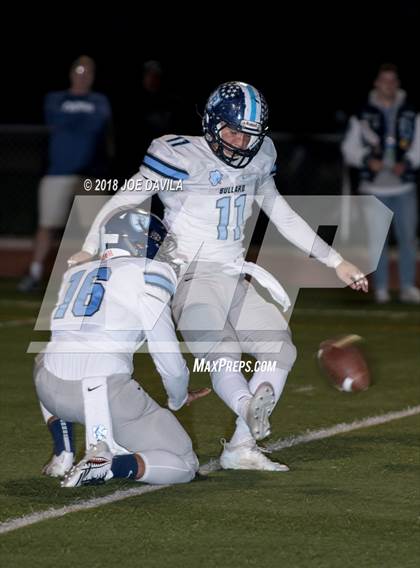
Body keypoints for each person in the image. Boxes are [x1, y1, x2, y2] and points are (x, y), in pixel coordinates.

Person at [68, 81, 368, 472]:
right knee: (221, 353)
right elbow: (127, 196)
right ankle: (247, 406)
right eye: (233, 132)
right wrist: (90, 246)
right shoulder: (179, 155)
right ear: (212, 123)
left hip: (233, 275)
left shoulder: (261, 157)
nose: (241, 143)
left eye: (249, 135)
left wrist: (335, 260)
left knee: (280, 348)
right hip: (190, 277)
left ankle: (241, 446)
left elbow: (282, 214)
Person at [35, 208, 209, 487]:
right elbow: (166, 353)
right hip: (102, 392)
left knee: (48, 354)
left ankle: (63, 452)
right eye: (159, 244)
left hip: (49, 387)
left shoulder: (77, 272)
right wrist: (178, 397)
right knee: (184, 462)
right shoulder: (150, 271)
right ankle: (109, 466)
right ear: (139, 244)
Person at [19, 55, 113, 292]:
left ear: (93, 76)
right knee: (47, 224)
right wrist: (82, 122)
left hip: (92, 174)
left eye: (88, 72)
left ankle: (95, 278)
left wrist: (74, 122)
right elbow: (57, 119)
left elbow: (98, 123)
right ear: (71, 73)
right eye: (79, 71)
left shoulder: (100, 100)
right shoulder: (55, 98)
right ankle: (34, 273)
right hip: (58, 172)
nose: (83, 76)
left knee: (96, 228)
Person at [342, 63, 420, 304]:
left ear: (398, 83)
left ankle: (407, 287)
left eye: (392, 80)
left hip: (404, 187)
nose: (389, 85)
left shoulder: (410, 111)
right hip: (374, 189)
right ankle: (382, 288)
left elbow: (418, 145)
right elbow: (349, 149)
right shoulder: (362, 113)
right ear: (376, 83)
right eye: (384, 80)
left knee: (408, 239)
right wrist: (367, 160)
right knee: (377, 242)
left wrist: (407, 163)